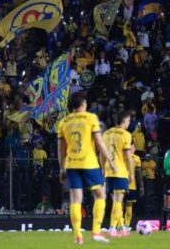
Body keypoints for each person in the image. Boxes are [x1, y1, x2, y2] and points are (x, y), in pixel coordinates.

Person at [58, 93, 116, 244]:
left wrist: (62, 169)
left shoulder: (63, 122)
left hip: (71, 164)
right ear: (83, 104)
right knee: (100, 195)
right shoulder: (90, 118)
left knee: (75, 199)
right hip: (88, 163)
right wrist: (110, 160)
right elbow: (99, 142)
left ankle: (78, 235)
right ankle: (96, 231)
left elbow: (61, 150)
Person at [102, 111, 134, 237]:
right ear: (124, 121)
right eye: (129, 121)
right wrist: (131, 172)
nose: (129, 123)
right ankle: (112, 228)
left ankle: (121, 227)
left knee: (116, 202)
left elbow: (101, 154)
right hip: (120, 171)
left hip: (108, 171)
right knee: (118, 201)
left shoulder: (106, 134)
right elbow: (128, 155)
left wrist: (103, 169)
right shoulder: (126, 134)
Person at [123, 146, 143, 230]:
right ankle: (120, 225)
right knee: (119, 204)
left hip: (131, 184)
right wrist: (142, 185)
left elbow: (138, 172)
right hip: (122, 183)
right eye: (132, 147)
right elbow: (138, 172)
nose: (133, 149)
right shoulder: (121, 156)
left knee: (128, 205)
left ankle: (126, 225)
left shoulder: (136, 158)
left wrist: (141, 185)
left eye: (134, 147)